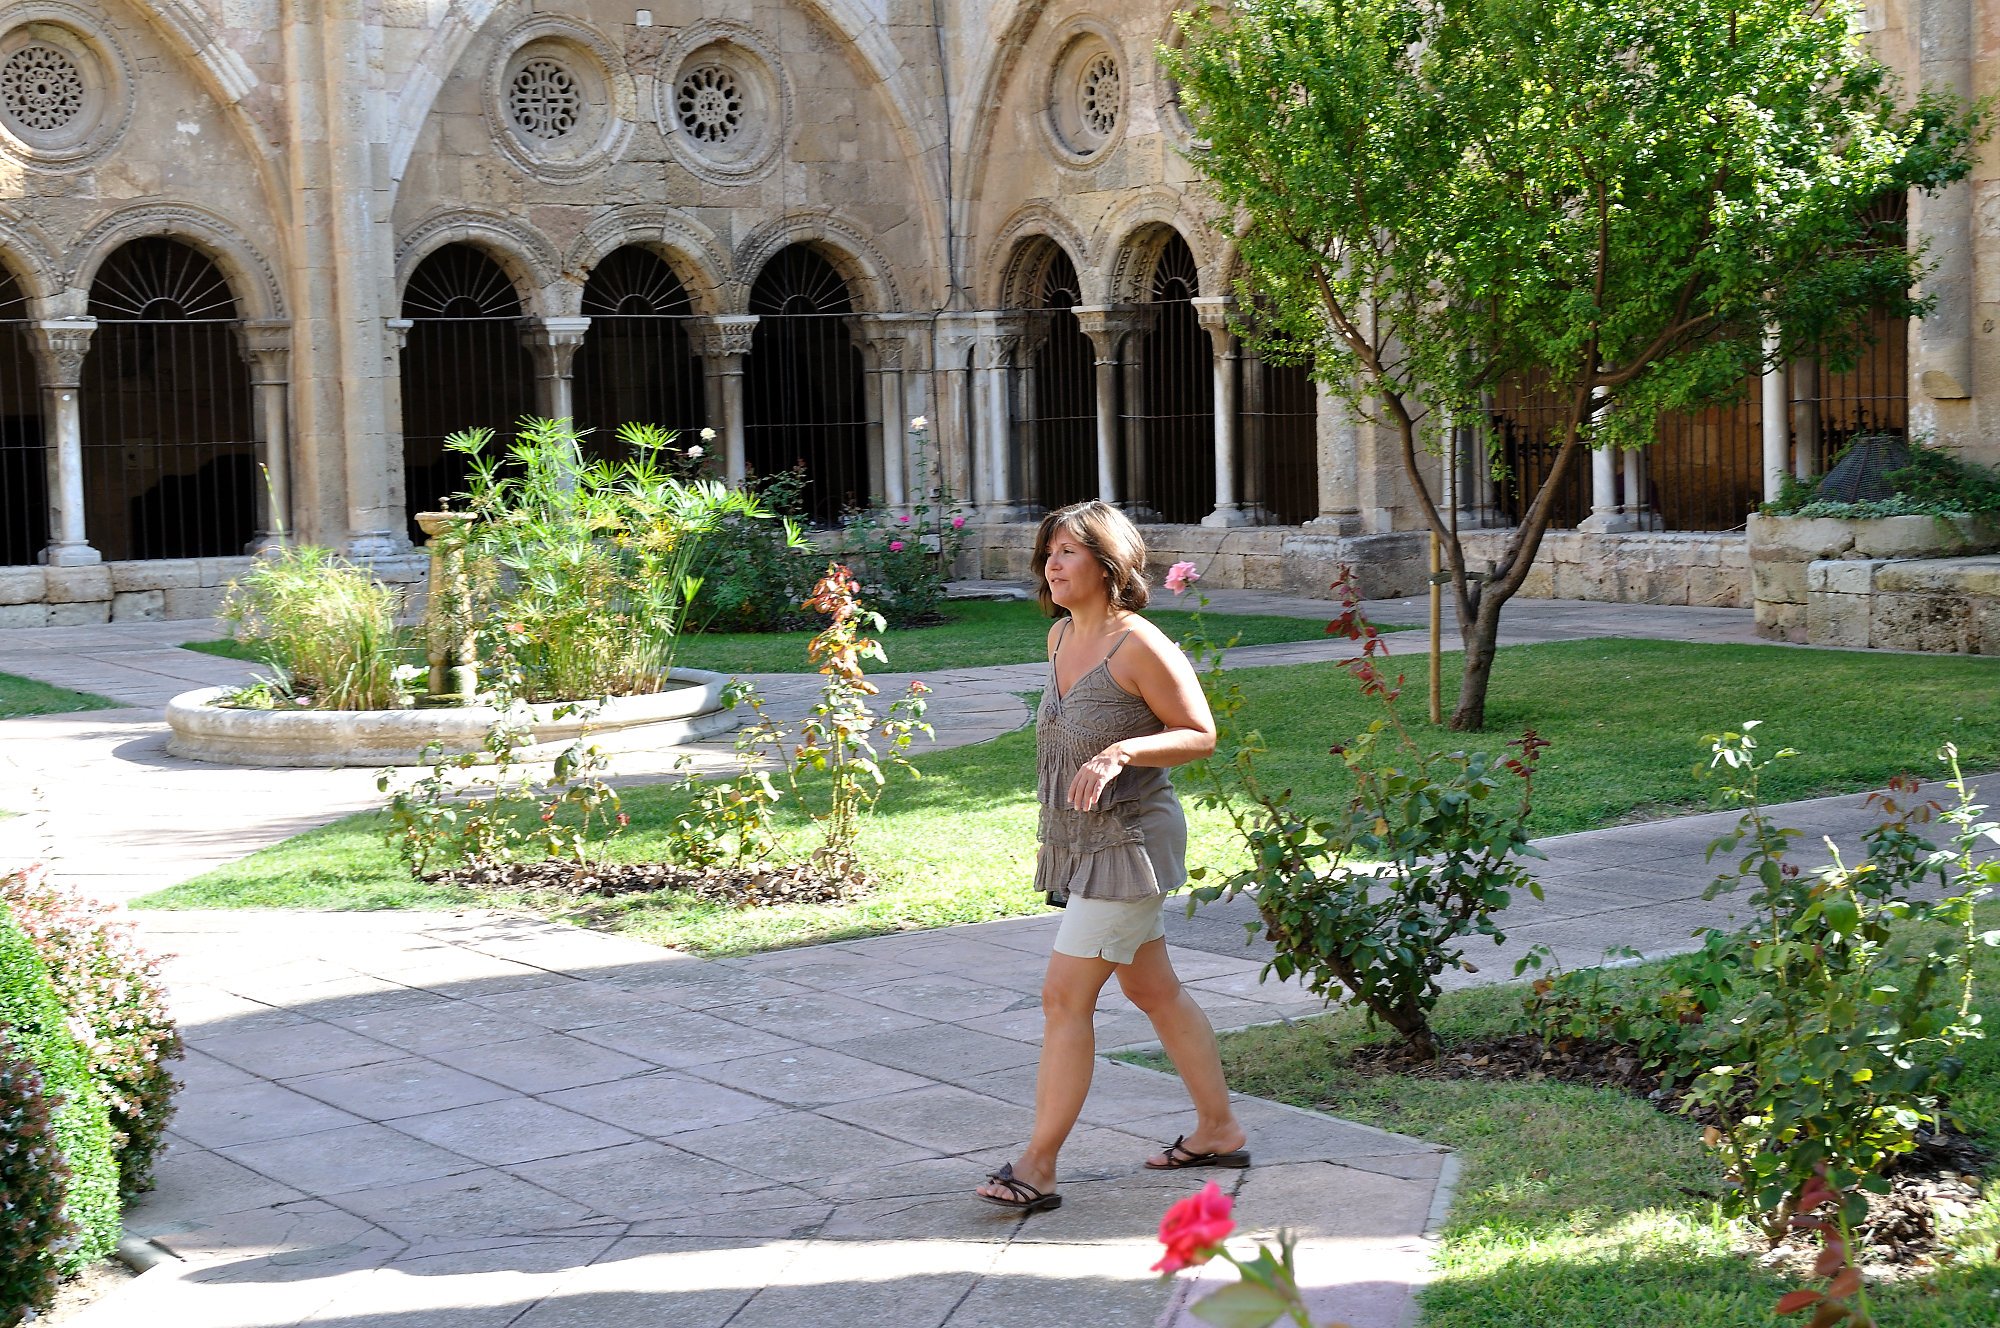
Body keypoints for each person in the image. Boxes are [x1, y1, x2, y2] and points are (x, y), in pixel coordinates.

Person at [975, 500, 1249, 1216]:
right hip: (1084, 841)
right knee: (1154, 991)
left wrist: (1122, 750)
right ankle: (1218, 1128)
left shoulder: (1139, 645)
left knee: (1064, 998)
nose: (1051, 564)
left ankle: (1037, 1166)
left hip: (1130, 845)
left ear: (1107, 563)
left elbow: (1199, 733)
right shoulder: (1060, 635)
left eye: (1067, 551)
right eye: (1048, 552)